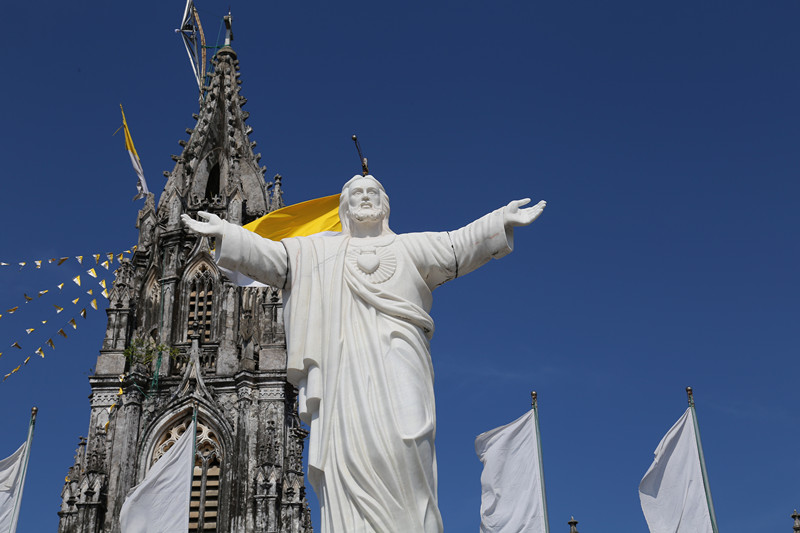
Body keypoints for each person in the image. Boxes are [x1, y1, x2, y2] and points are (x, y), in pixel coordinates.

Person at [182, 175, 546, 533]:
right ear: (345, 206)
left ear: (386, 205)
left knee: (408, 445)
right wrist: (228, 234)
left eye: (374, 192)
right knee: (348, 456)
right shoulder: (317, 252)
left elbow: (456, 246)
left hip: (400, 359)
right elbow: (277, 260)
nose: (366, 198)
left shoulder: (409, 247)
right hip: (343, 370)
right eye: (357, 193)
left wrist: (499, 220)